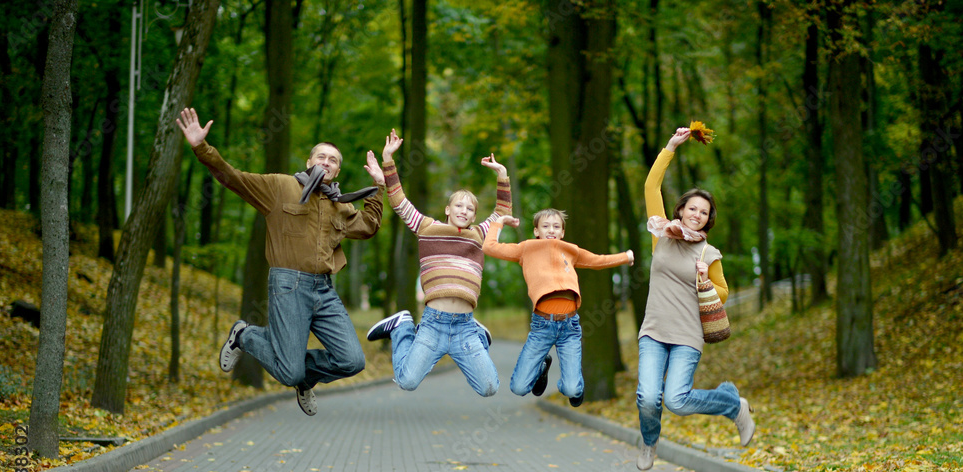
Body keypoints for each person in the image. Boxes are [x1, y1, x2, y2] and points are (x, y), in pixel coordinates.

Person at [175, 107, 386, 416]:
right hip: (288, 286)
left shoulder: (339, 206)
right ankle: (246, 335)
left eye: (334, 161)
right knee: (288, 372)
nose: (327, 163)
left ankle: (306, 378)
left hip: (324, 290)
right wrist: (201, 148)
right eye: (322, 157)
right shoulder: (280, 187)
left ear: (337, 172)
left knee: (353, 361)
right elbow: (233, 178)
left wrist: (379, 186)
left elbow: (368, 227)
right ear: (309, 162)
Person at [635, 126, 755, 471]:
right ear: (681, 209)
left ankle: (733, 405)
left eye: (703, 212)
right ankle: (649, 441)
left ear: (708, 219)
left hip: (688, 336)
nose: (697, 215)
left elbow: (724, 292)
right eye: (692, 208)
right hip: (654, 330)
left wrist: (705, 280)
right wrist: (672, 146)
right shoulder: (661, 234)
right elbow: (650, 186)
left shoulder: (709, 251)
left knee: (676, 400)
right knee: (647, 398)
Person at [365, 129, 511, 396]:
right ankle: (402, 327)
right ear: (448, 209)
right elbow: (398, 201)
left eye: (470, 209)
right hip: (433, 324)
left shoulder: (479, 234)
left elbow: (502, 212)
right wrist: (388, 160)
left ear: (474, 215)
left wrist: (501, 175)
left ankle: (479, 334)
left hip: (465, 326)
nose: (464, 211)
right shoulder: (427, 228)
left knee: (490, 387)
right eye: (458, 206)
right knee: (407, 381)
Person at [483, 210, 633, 406]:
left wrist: (626, 256)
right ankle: (541, 368)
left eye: (556, 227)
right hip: (542, 326)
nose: (551, 230)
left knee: (571, 389)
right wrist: (499, 222)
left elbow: (598, 261)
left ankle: (573, 386)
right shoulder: (526, 248)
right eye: (545, 226)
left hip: (569, 327)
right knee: (518, 388)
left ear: (562, 232)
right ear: (536, 231)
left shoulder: (570, 250)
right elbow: (490, 247)